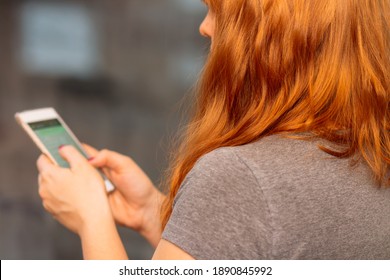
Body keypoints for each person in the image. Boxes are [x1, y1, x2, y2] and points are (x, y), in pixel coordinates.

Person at [36, 0, 390, 260]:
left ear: (270, 33)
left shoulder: (240, 178)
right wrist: (152, 213)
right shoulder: (375, 156)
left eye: (215, 9)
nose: (204, 27)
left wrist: (90, 217)